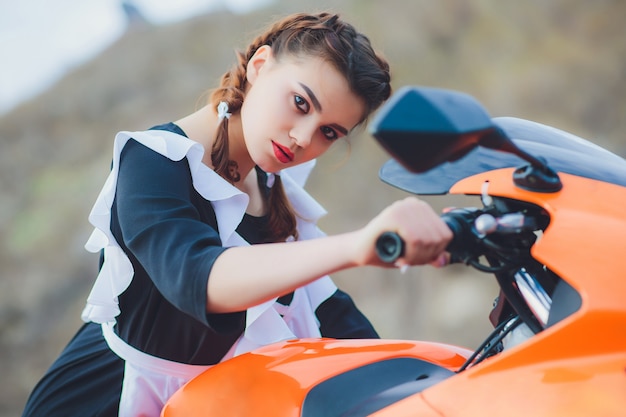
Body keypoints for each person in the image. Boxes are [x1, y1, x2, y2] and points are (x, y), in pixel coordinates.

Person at [22, 11, 452, 417]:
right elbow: (200, 278)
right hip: (103, 398)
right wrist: (360, 244)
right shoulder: (152, 160)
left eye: (329, 132)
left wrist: (438, 385)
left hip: (203, 400)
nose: (303, 139)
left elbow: (328, 310)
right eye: (301, 103)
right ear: (260, 65)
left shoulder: (271, 184)